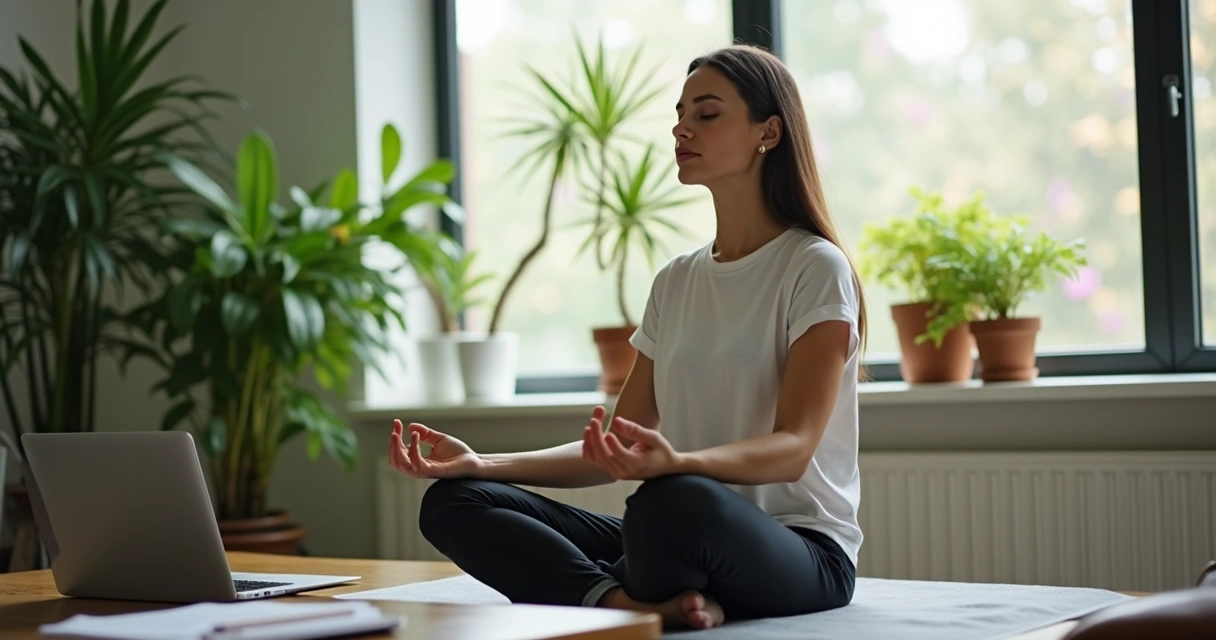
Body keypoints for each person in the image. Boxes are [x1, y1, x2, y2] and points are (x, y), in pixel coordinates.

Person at [387, 43, 868, 631]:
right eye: (680, 112)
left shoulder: (814, 267)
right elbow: (616, 445)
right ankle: (625, 605)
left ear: (768, 132)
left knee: (668, 501)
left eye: (706, 113)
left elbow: (794, 448)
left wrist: (678, 463)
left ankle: (641, 589)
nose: (681, 127)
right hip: (679, 527)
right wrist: (483, 463)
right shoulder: (678, 280)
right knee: (454, 503)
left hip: (802, 553)